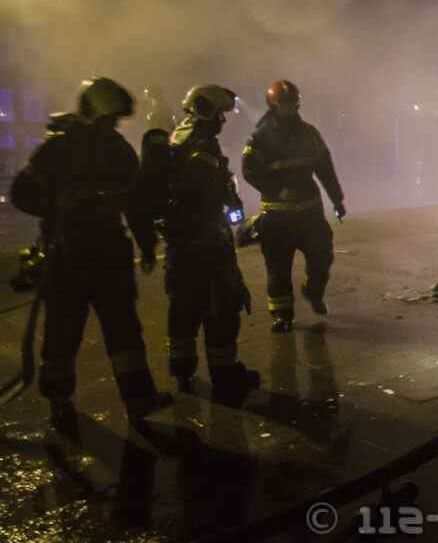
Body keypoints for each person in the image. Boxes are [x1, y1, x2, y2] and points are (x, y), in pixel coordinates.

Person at [9, 77, 172, 431]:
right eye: (109, 118)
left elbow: (134, 203)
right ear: (96, 113)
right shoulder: (57, 150)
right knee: (64, 332)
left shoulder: (116, 150)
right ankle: (60, 401)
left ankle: (139, 400)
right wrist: (56, 204)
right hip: (67, 254)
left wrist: (146, 244)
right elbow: (21, 193)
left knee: (122, 330)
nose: (113, 125)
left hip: (105, 253)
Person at [145, 84, 259, 400]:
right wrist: (231, 200)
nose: (223, 120)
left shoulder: (178, 139)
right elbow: (210, 192)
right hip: (206, 239)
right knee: (222, 306)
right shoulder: (200, 147)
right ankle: (226, 375)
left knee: (184, 307)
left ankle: (182, 372)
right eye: (220, 114)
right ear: (206, 111)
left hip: (181, 243)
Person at [241, 80, 346, 333]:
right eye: (284, 104)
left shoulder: (310, 133)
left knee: (322, 256)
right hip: (277, 216)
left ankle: (313, 291)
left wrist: (337, 199)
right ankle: (281, 315)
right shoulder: (260, 137)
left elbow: (325, 168)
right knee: (278, 269)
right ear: (273, 105)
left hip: (310, 212)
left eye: (292, 103)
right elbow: (249, 170)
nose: (289, 108)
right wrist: (276, 189)